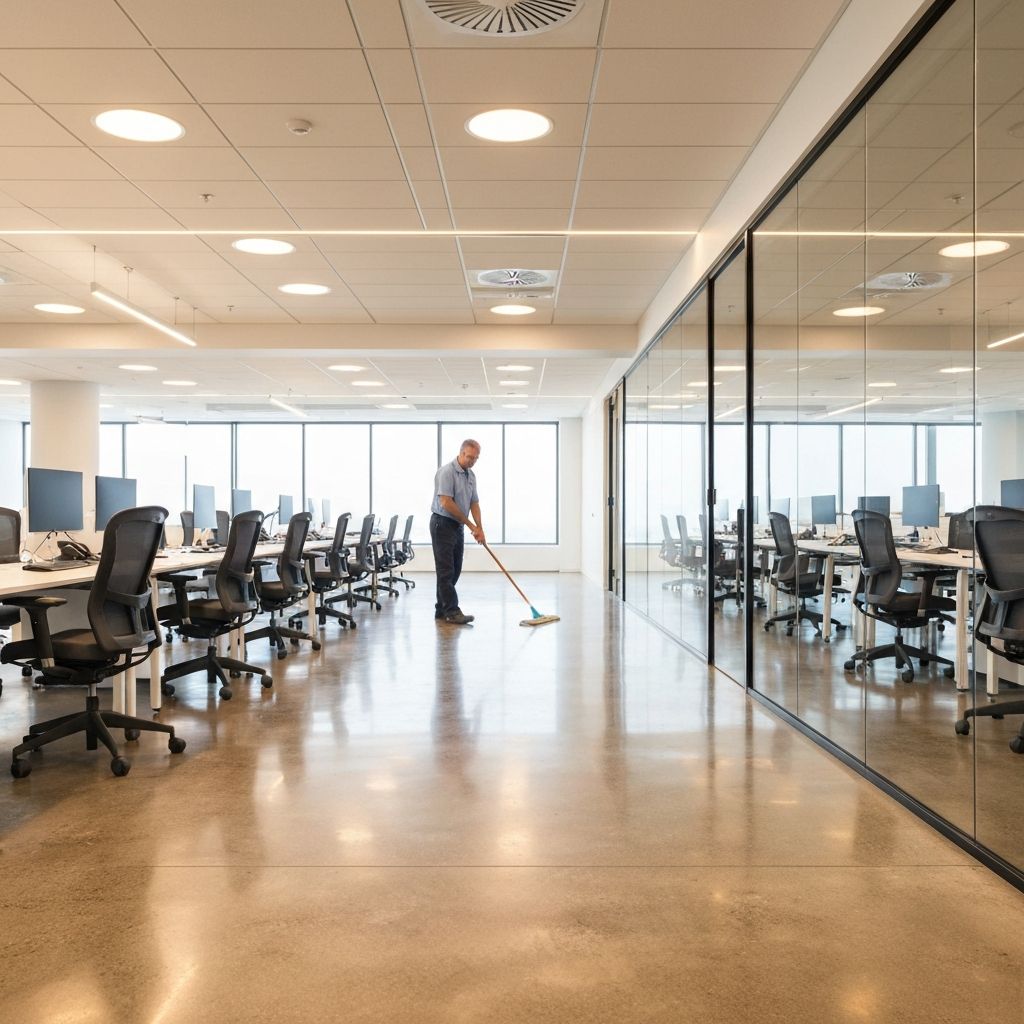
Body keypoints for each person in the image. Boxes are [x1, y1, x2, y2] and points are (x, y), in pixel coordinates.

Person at [430, 439, 485, 625]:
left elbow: (474, 502)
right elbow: (446, 502)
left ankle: (441, 608)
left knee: (456, 569)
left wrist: (480, 528)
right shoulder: (446, 472)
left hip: (457, 525)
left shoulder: (471, 476)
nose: (472, 461)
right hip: (442, 524)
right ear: (461, 453)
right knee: (445, 570)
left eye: (475, 458)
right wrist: (471, 526)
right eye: (469, 457)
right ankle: (452, 611)